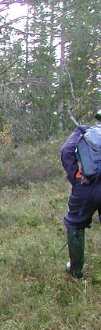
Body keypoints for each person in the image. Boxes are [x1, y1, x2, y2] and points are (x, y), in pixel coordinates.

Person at [60, 109, 101, 279]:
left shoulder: (84, 131)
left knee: (75, 223)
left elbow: (66, 151)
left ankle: (76, 271)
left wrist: (76, 178)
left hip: (85, 186)